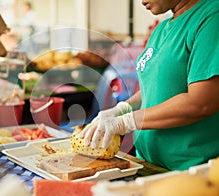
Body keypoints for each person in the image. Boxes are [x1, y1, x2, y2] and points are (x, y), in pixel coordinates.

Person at [79, 0, 219, 171]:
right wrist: (123, 108)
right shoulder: (162, 29)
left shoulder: (211, 18)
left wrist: (127, 122)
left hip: (191, 171)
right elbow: (154, 88)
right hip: (147, 164)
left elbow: (201, 103)